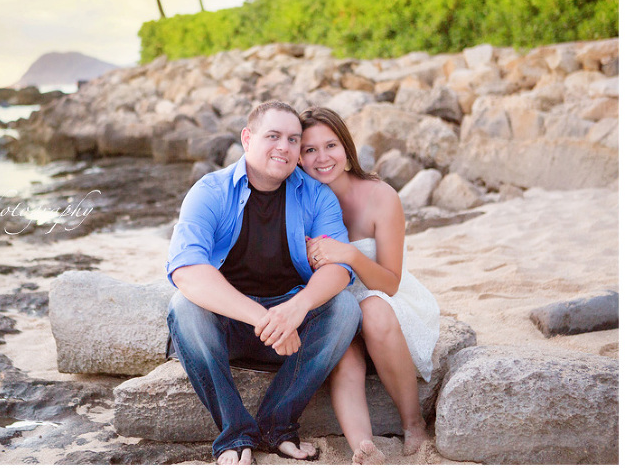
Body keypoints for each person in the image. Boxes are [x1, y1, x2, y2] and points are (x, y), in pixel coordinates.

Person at [166, 100, 362, 465]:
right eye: (273, 136)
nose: (284, 147)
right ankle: (234, 434)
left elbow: (339, 268)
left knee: (345, 308)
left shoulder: (316, 195)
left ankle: (277, 426)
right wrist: (263, 318)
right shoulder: (210, 191)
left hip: (292, 328)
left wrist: (297, 308)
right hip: (227, 325)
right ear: (247, 138)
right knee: (183, 307)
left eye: (293, 139)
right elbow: (186, 269)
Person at [298, 106, 440, 464]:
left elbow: (391, 283)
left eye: (330, 145)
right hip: (334, 299)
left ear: (346, 149)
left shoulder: (381, 197)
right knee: (343, 349)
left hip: (382, 295)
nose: (322, 157)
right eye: (310, 149)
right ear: (298, 157)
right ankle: (363, 447)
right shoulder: (298, 200)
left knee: (373, 310)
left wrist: (350, 254)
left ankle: (413, 424)